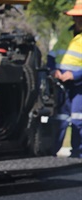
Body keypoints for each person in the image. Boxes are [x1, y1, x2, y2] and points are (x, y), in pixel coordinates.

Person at [48, 0, 82, 158]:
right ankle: (53, 155)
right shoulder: (65, 34)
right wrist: (54, 70)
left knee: (78, 120)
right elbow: (52, 55)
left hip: (79, 87)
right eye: (77, 17)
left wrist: (74, 75)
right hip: (62, 86)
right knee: (59, 120)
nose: (79, 20)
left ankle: (77, 155)